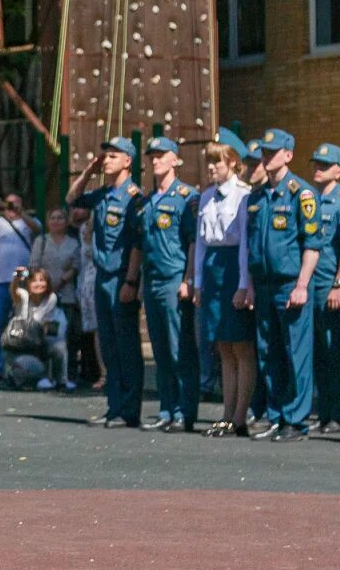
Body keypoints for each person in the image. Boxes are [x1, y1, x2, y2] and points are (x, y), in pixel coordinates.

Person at [237, 130, 320, 442]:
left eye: (273, 152)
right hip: (264, 284)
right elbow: (251, 247)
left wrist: (302, 284)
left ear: (288, 155)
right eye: (264, 152)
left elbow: (312, 244)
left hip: (290, 284)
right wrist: (252, 286)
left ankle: (296, 420)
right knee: (267, 350)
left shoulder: (302, 194)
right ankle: (275, 414)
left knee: (295, 351)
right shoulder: (257, 198)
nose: (266, 158)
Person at [124, 138, 198, 430]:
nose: (155, 161)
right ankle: (167, 408)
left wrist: (188, 279)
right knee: (160, 348)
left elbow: (193, 243)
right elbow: (140, 245)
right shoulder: (145, 202)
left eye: (161, 156)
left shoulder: (187, 197)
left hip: (173, 279)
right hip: (153, 280)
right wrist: (137, 279)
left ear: (175, 160)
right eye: (152, 156)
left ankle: (184, 410)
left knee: (180, 347)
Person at [73, 139, 143, 426]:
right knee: (109, 347)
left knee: (126, 346)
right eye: (105, 156)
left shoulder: (133, 197)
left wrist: (131, 280)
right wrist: (88, 171)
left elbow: (138, 243)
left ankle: (129, 410)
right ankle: (114, 406)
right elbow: (73, 199)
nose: (107, 161)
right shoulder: (102, 194)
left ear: (127, 161)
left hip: (121, 277)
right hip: (101, 275)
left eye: (113, 156)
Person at [191, 133, 254, 436]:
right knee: (223, 346)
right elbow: (201, 243)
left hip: (233, 268)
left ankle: (240, 415)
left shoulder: (243, 194)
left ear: (232, 162)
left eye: (216, 161)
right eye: (209, 162)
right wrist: (198, 282)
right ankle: (227, 412)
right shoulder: (205, 196)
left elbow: (244, 244)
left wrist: (243, 283)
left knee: (240, 345)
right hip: (213, 269)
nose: (211, 167)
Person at [306, 144, 340, 433]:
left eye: (325, 164)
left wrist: (339, 284)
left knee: (336, 350)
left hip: (330, 283)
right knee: (319, 352)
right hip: (312, 283)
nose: (318, 168)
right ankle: (325, 412)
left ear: (339, 170)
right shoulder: (309, 199)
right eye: (317, 163)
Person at [28, 207, 84, 388]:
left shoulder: (74, 243)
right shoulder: (41, 241)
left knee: (67, 338)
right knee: (44, 337)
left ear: (66, 221)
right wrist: (47, 285)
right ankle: (45, 376)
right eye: (53, 218)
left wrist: (62, 280)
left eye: (60, 218)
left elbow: (76, 265)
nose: (56, 221)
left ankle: (67, 377)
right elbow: (34, 266)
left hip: (66, 296)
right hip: (44, 297)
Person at [0, 194, 34, 376]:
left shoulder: (28, 222)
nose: (11, 207)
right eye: (8, 204)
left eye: (15, 204)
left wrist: (21, 213)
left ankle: (19, 365)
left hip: (23, 280)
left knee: (21, 324)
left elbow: (38, 229)